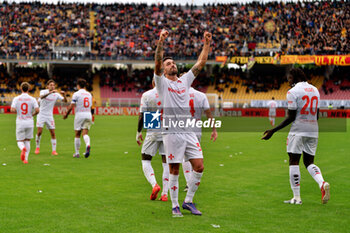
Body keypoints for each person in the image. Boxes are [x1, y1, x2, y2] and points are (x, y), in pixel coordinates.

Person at [154, 29, 212, 217]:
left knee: (199, 166)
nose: (172, 65)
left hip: (188, 131)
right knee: (175, 169)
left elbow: (201, 62)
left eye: (173, 63)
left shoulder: (185, 80)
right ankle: (174, 205)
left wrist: (207, 43)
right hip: (171, 131)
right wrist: (161, 42)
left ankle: (188, 201)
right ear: (164, 69)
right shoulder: (162, 83)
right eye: (168, 64)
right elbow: (156, 62)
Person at [262, 68, 330, 205]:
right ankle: (322, 183)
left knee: (294, 161)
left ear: (295, 77)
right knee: (309, 162)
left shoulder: (292, 92)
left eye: (290, 79)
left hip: (298, 130)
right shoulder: (315, 90)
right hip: (313, 129)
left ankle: (297, 198)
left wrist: (273, 131)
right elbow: (316, 115)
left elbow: (291, 117)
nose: (289, 82)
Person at [136, 81, 169, 202]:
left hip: (153, 128)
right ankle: (165, 194)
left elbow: (142, 115)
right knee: (166, 163)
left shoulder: (147, 94)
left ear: (153, 82)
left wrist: (138, 132)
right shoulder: (170, 93)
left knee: (145, 159)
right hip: (168, 129)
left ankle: (154, 184)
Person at [182, 87, 217, 191]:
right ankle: (192, 181)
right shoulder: (201, 95)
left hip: (183, 127)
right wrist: (214, 129)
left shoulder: (178, 94)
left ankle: (189, 183)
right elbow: (208, 114)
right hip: (196, 128)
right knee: (195, 155)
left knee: (185, 157)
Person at [35, 79, 67, 155]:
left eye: (53, 85)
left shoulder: (56, 94)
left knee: (52, 133)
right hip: (41, 114)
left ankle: (54, 150)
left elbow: (65, 101)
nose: (52, 86)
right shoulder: (43, 91)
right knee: (39, 132)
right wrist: (50, 93)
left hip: (49, 116)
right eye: (51, 85)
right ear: (47, 86)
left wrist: (64, 95)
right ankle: (37, 147)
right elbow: (41, 97)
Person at [10, 82, 39, 164]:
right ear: (29, 89)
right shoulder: (32, 99)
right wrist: (32, 115)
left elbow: (12, 109)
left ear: (20, 88)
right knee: (27, 141)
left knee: (20, 141)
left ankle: (22, 148)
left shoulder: (16, 98)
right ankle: (26, 159)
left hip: (20, 122)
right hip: (29, 122)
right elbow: (37, 110)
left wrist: (18, 112)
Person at [63, 79, 92, 158]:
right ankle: (88, 144)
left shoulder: (76, 94)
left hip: (80, 115)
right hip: (88, 114)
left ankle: (77, 153)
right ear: (85, 85)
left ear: (78, 85)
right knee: (85, 134)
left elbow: (71, 106)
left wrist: (66, 114)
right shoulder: (89, 94)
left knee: (77, 134)